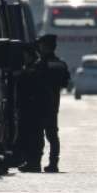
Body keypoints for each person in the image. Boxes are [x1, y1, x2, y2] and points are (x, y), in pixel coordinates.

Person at [34, 34, 70, 172]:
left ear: (45, 46)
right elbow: (65, 83)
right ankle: (53, 163)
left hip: (38, 104)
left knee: (37, 135)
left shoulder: (40, 64)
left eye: (41, 45)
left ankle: (35, 162)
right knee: (52, 135)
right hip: (53, 104)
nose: (39, 47)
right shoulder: (61, 64)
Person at [14, 46, 44, 172]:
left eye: (26, 55)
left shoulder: (35, 69)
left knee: (33, 136)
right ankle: (30, 161)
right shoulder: (29, 69)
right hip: (27, 107)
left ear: (31, 56)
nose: (24, 58)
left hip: (33, 108)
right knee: (27, 135)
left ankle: (33, 162)